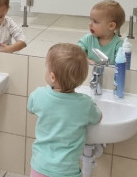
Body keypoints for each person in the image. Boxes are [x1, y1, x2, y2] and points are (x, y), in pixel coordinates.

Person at [28, 43, 102, 177]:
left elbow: (31, 108)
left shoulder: (39, 94)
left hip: (39, 167)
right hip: (67, 171)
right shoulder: (85, 104)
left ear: (52, 77)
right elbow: (97, 117)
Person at [78, 0, 125, 65]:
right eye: (91, 20)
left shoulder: (119, 45)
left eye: (95, 21)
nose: (90, 24)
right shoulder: (87, 39)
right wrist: (87, 60)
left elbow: (121, 65)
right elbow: (77, 54)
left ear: (111, 26)